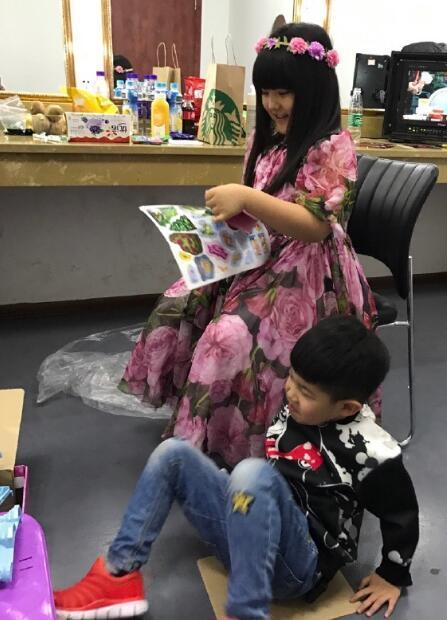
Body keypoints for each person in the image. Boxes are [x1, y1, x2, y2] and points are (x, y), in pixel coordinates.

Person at [119, 22, 378, 467]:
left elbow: (315, 227)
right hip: (257, 251)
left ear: (314, 90)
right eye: (266, 92)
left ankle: (241, 442)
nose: (273, 104)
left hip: (307, 268)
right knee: (178, 302)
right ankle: (202, 420)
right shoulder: (266, 141)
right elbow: (255, 207)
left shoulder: (332, 147)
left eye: (284, 93)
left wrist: (247, 198)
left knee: (228, 336)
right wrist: (215, 226)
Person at [54, 315, 419, 620]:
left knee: (251, 472)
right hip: (251, 538)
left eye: (305, 391)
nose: (291, 392)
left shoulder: (372, 452)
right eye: (292, 378)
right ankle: (118, 575)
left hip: (297, 568)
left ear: (347, 408)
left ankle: (247, 612)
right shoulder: (303, 407)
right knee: (173, 453)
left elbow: (402, 514)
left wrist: (392, 575)